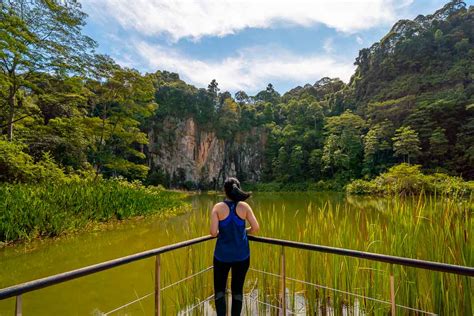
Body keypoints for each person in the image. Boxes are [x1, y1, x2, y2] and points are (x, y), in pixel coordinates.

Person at [210, 177, 259, 316]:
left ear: (225, 191)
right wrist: (244, 231)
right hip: (242, 257)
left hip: (222, 257)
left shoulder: (218, 208)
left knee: (220, 291)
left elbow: (213, 233)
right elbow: (255, 228)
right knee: (237, 291)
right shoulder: (244, 206)